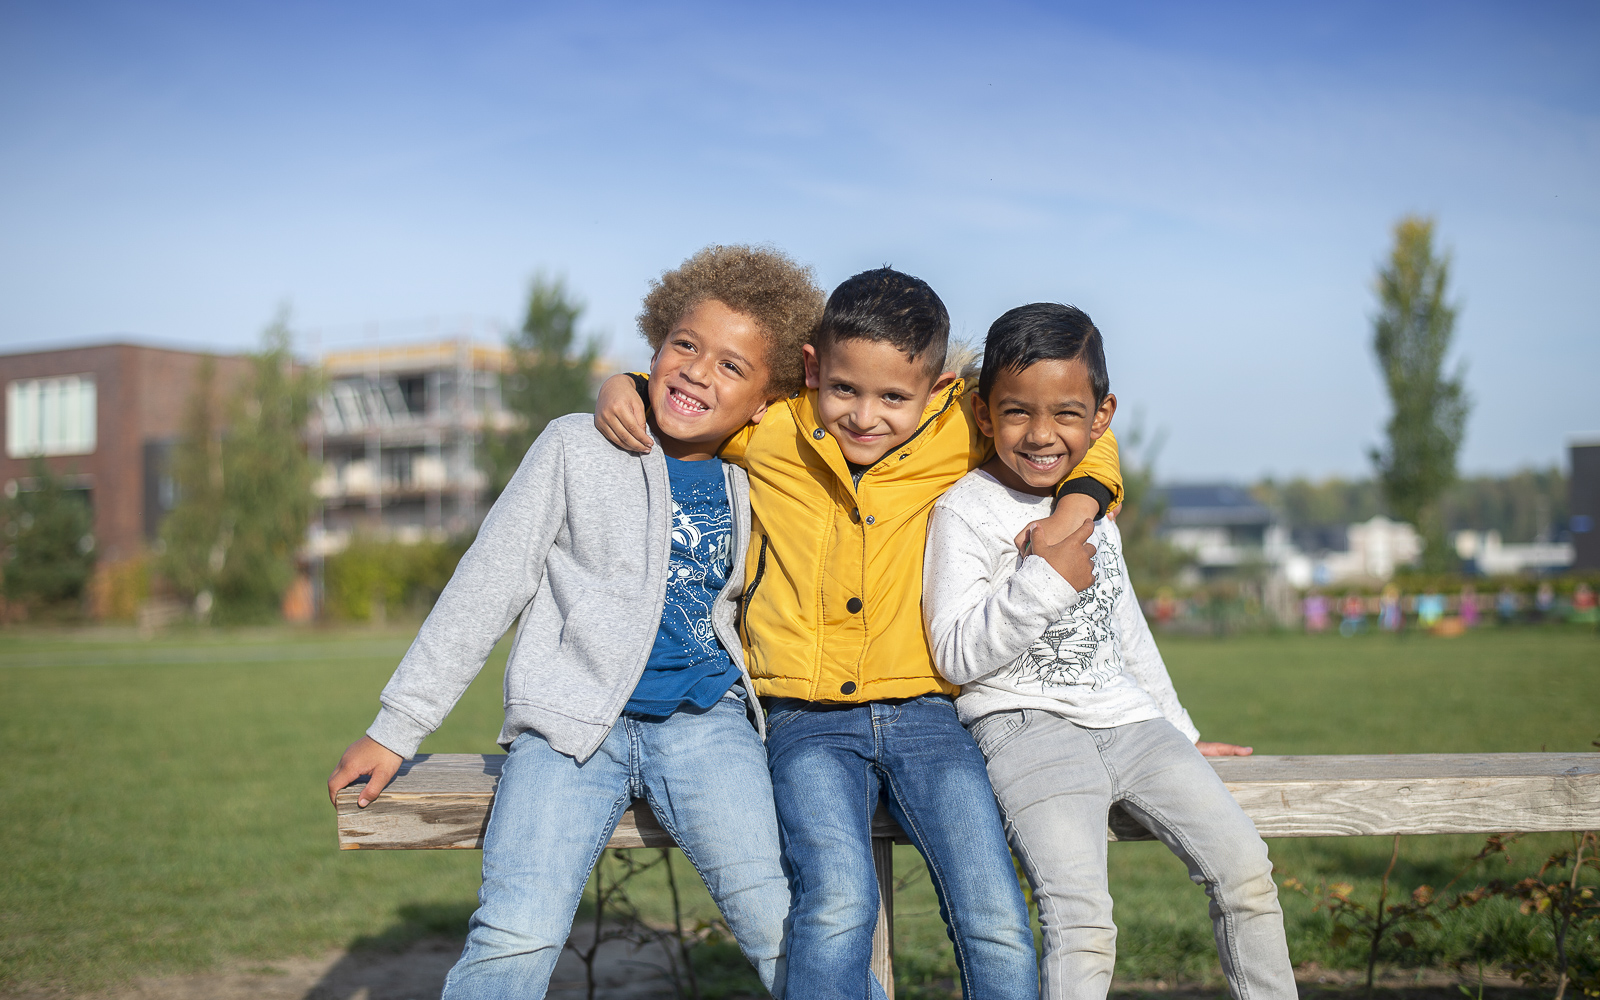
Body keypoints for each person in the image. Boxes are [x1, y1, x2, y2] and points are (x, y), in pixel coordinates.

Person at [595, 268, 1122, 1000]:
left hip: (928, 717)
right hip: (804, 722)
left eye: (894, 397)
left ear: (938, 390)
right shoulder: (770, 431)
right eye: (845, 390)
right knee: (836, 902)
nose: (865, 416)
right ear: (813, 369)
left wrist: (1077, 510)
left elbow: (1078, 435)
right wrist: (623, 382)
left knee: (994, 911)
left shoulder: (957, 435)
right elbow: (695, 400)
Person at [327, 245, 825, 1000]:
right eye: (684, 346)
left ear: (768, 399)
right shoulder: (574, 445)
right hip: (566, 731)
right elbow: (485, 586)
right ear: (654, 346)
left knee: (778, 921)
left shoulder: (761, 472)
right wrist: (397, 725)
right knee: (515, 931)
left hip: (706, 726)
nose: (697, 371)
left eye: (732, 366)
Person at [922, 303, 1296, 1000]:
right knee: (1082, 919)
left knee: (1247, 873)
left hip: (1131, 725)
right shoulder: (964, 512)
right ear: (982, 413)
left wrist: (1180, 732)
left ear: (1101, 417)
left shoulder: (1092, 510)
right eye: (1015, 413)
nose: (1041, 435)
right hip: (1024, 727)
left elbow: (1127, 634)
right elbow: (953, 653)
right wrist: (1042, 581)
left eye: (1066, 413)